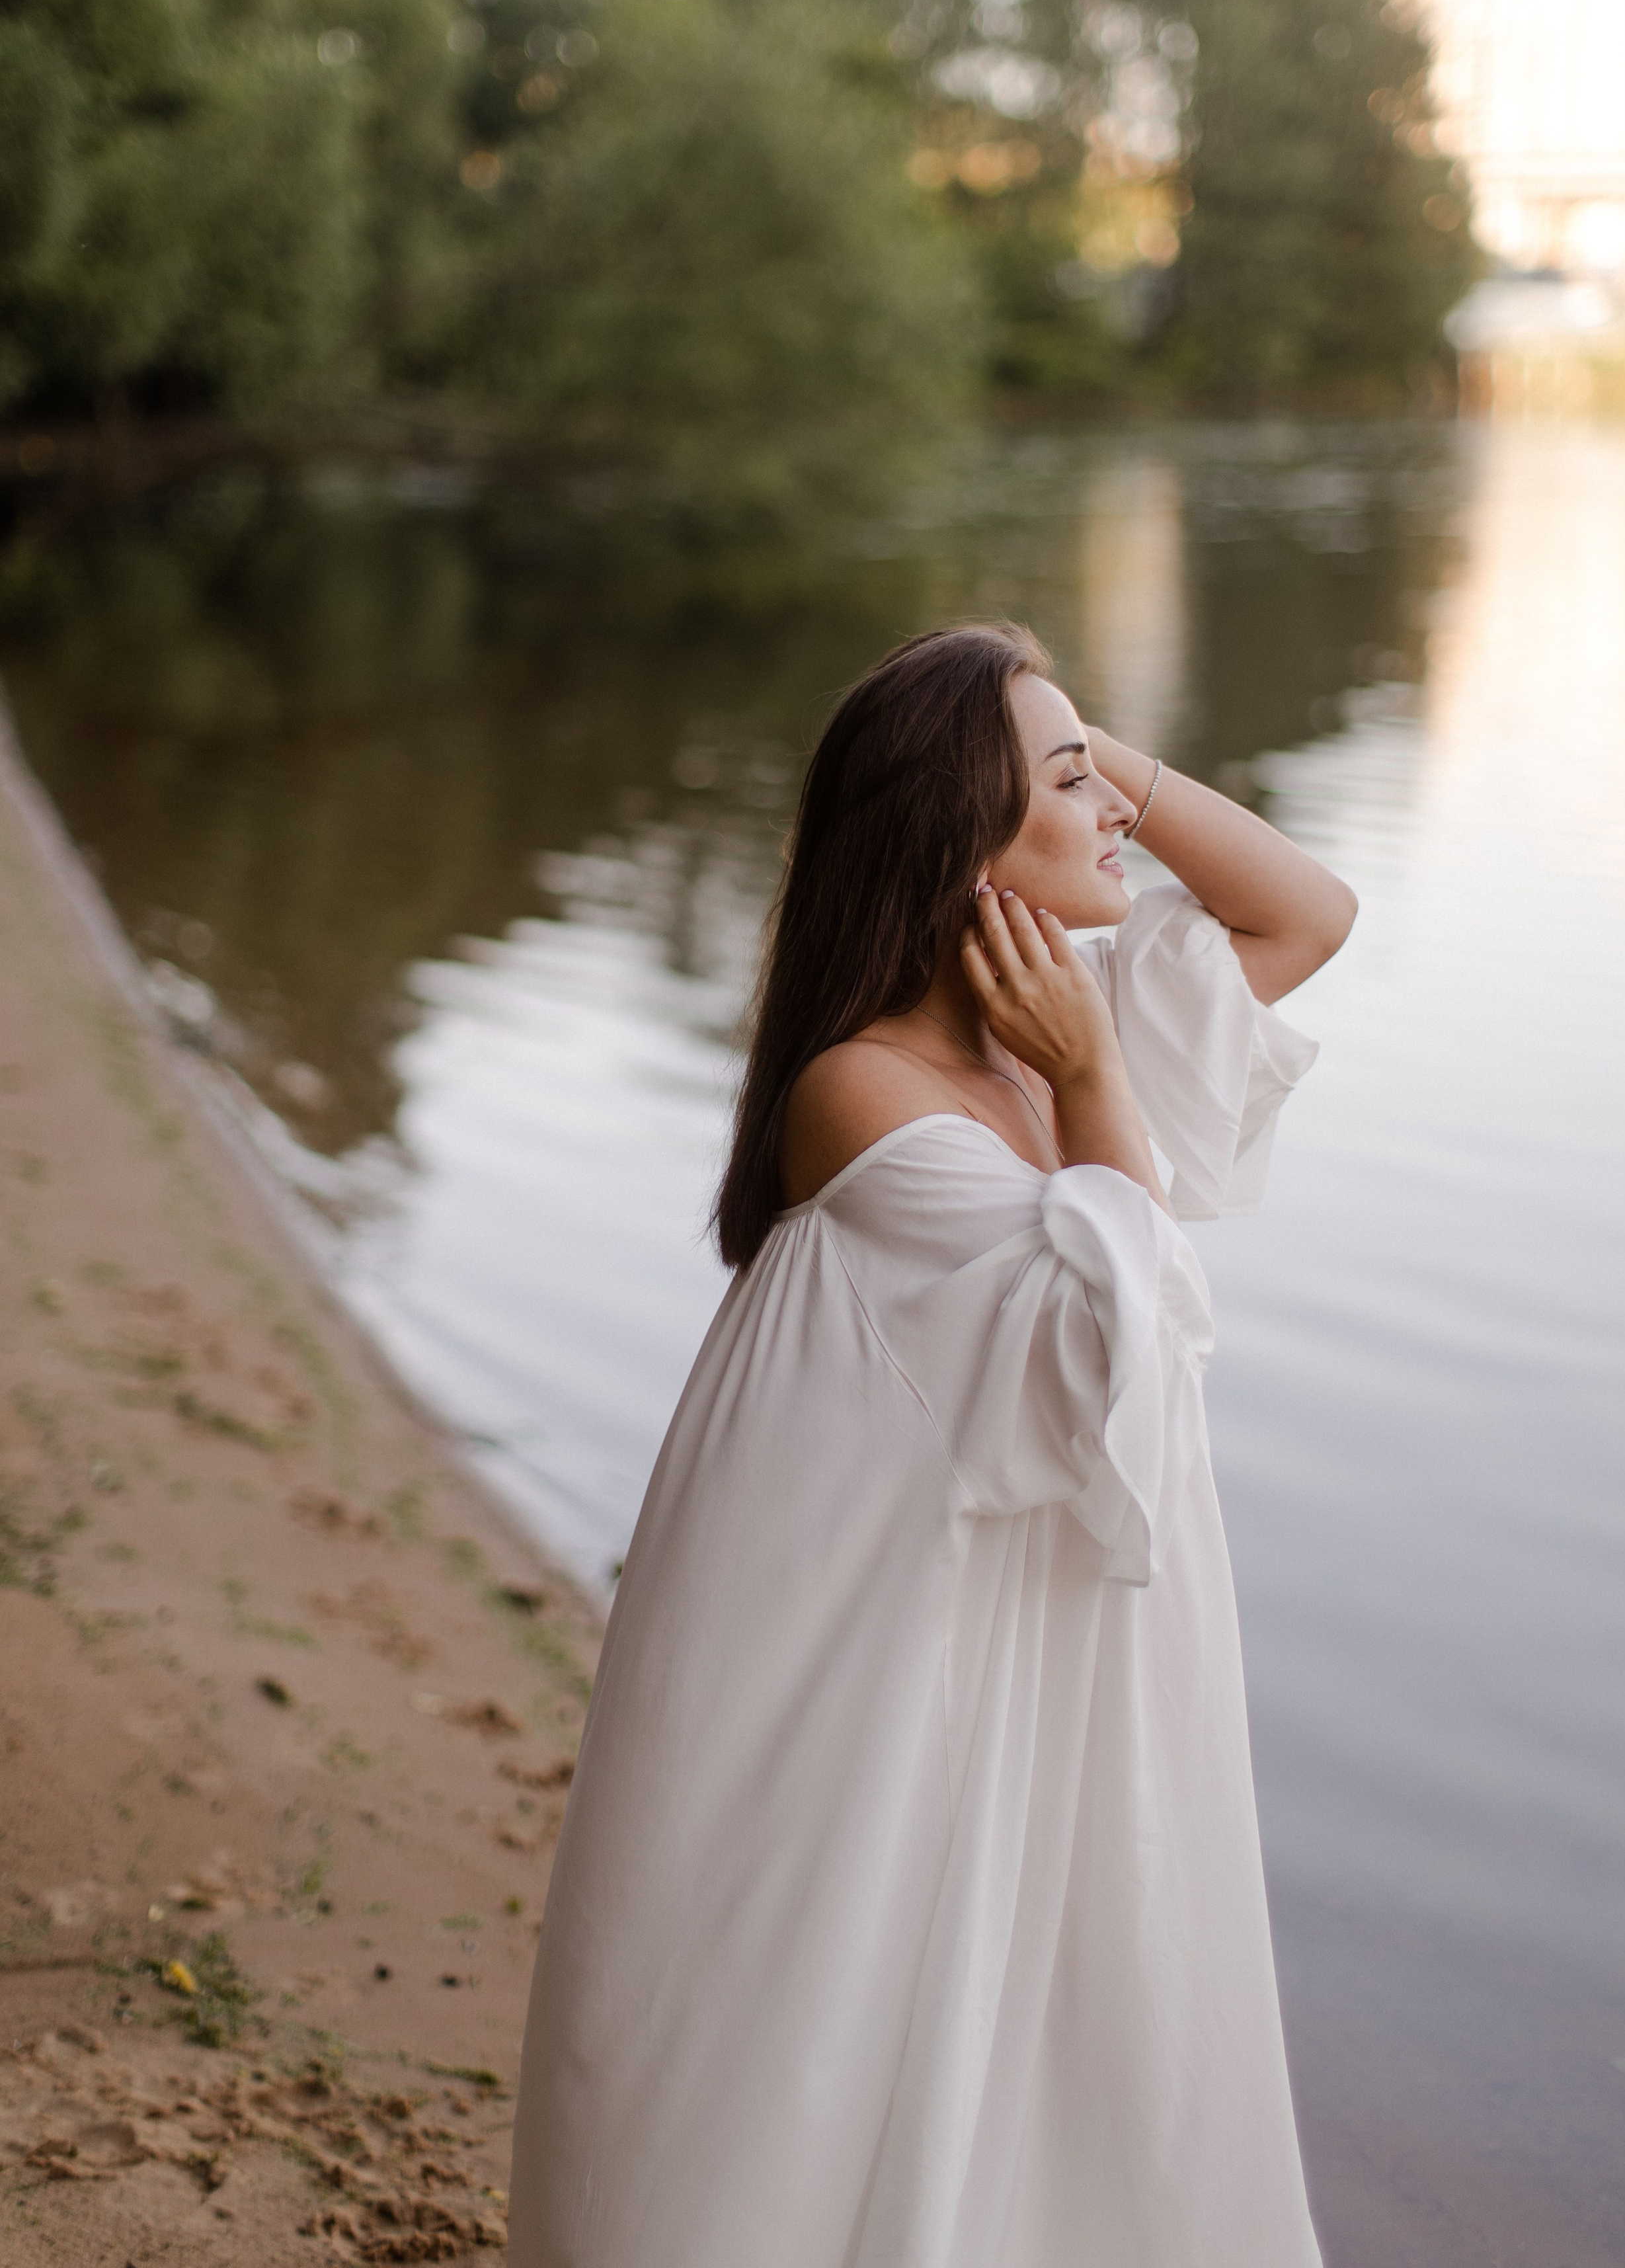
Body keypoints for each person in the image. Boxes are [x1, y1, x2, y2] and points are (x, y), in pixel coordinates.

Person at [509, 622, 1356, 2268]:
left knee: (1069, 2061)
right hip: (874, 1671)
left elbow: (1301, 912)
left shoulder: (1049, 1031)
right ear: (957, 841)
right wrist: (1098, 1074)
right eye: (1069, 784)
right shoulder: (871, 1094)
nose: (1113, 811)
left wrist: (1071, 744)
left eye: (1104, 775)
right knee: (814, 2058)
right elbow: (1119, 1344)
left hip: (1018, 1637)